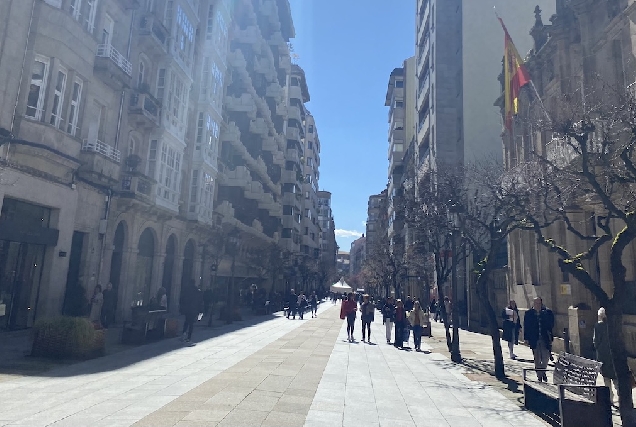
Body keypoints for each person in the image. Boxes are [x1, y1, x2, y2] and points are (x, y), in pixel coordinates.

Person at [523, 297, 554, 382]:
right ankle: (539, 376)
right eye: (536, 303)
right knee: (537, 358)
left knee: (545, 357)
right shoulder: (529, 313)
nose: (538, 305)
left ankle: (542, 371)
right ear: (533, 303)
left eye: (539, 303)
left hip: (545, 338)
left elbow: (551, 324)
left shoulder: (547, 313)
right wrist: (526, 339)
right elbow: (526, 327)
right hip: (534, 339)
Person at [594, 307, 617, 404]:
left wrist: (598, 347)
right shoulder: (614, 325)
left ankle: (610, 398)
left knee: (606, 378)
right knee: (616, 377)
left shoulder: (598, 326)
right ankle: (621, 396)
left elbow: (595, 341)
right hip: (614, 354)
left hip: (603, 355)